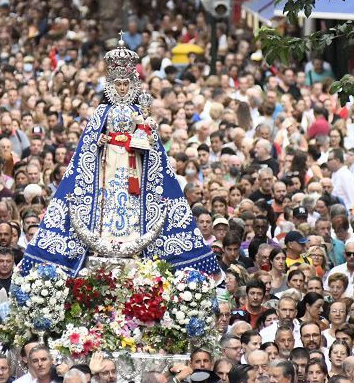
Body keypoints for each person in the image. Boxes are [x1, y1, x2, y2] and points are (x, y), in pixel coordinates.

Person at [19, 40, 218, 277]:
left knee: (131, 201)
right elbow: (88, 142)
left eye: (126, 84)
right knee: (108, 197)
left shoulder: (137, 112)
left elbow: (151, 140)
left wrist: (145, 132)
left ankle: (132, 239)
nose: (122, 88)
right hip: (108, 163)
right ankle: (105, 237)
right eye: (118, 84)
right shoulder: (102, 112)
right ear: (111, 86)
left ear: (132, 85)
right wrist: (100, 141)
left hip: (133, 161)